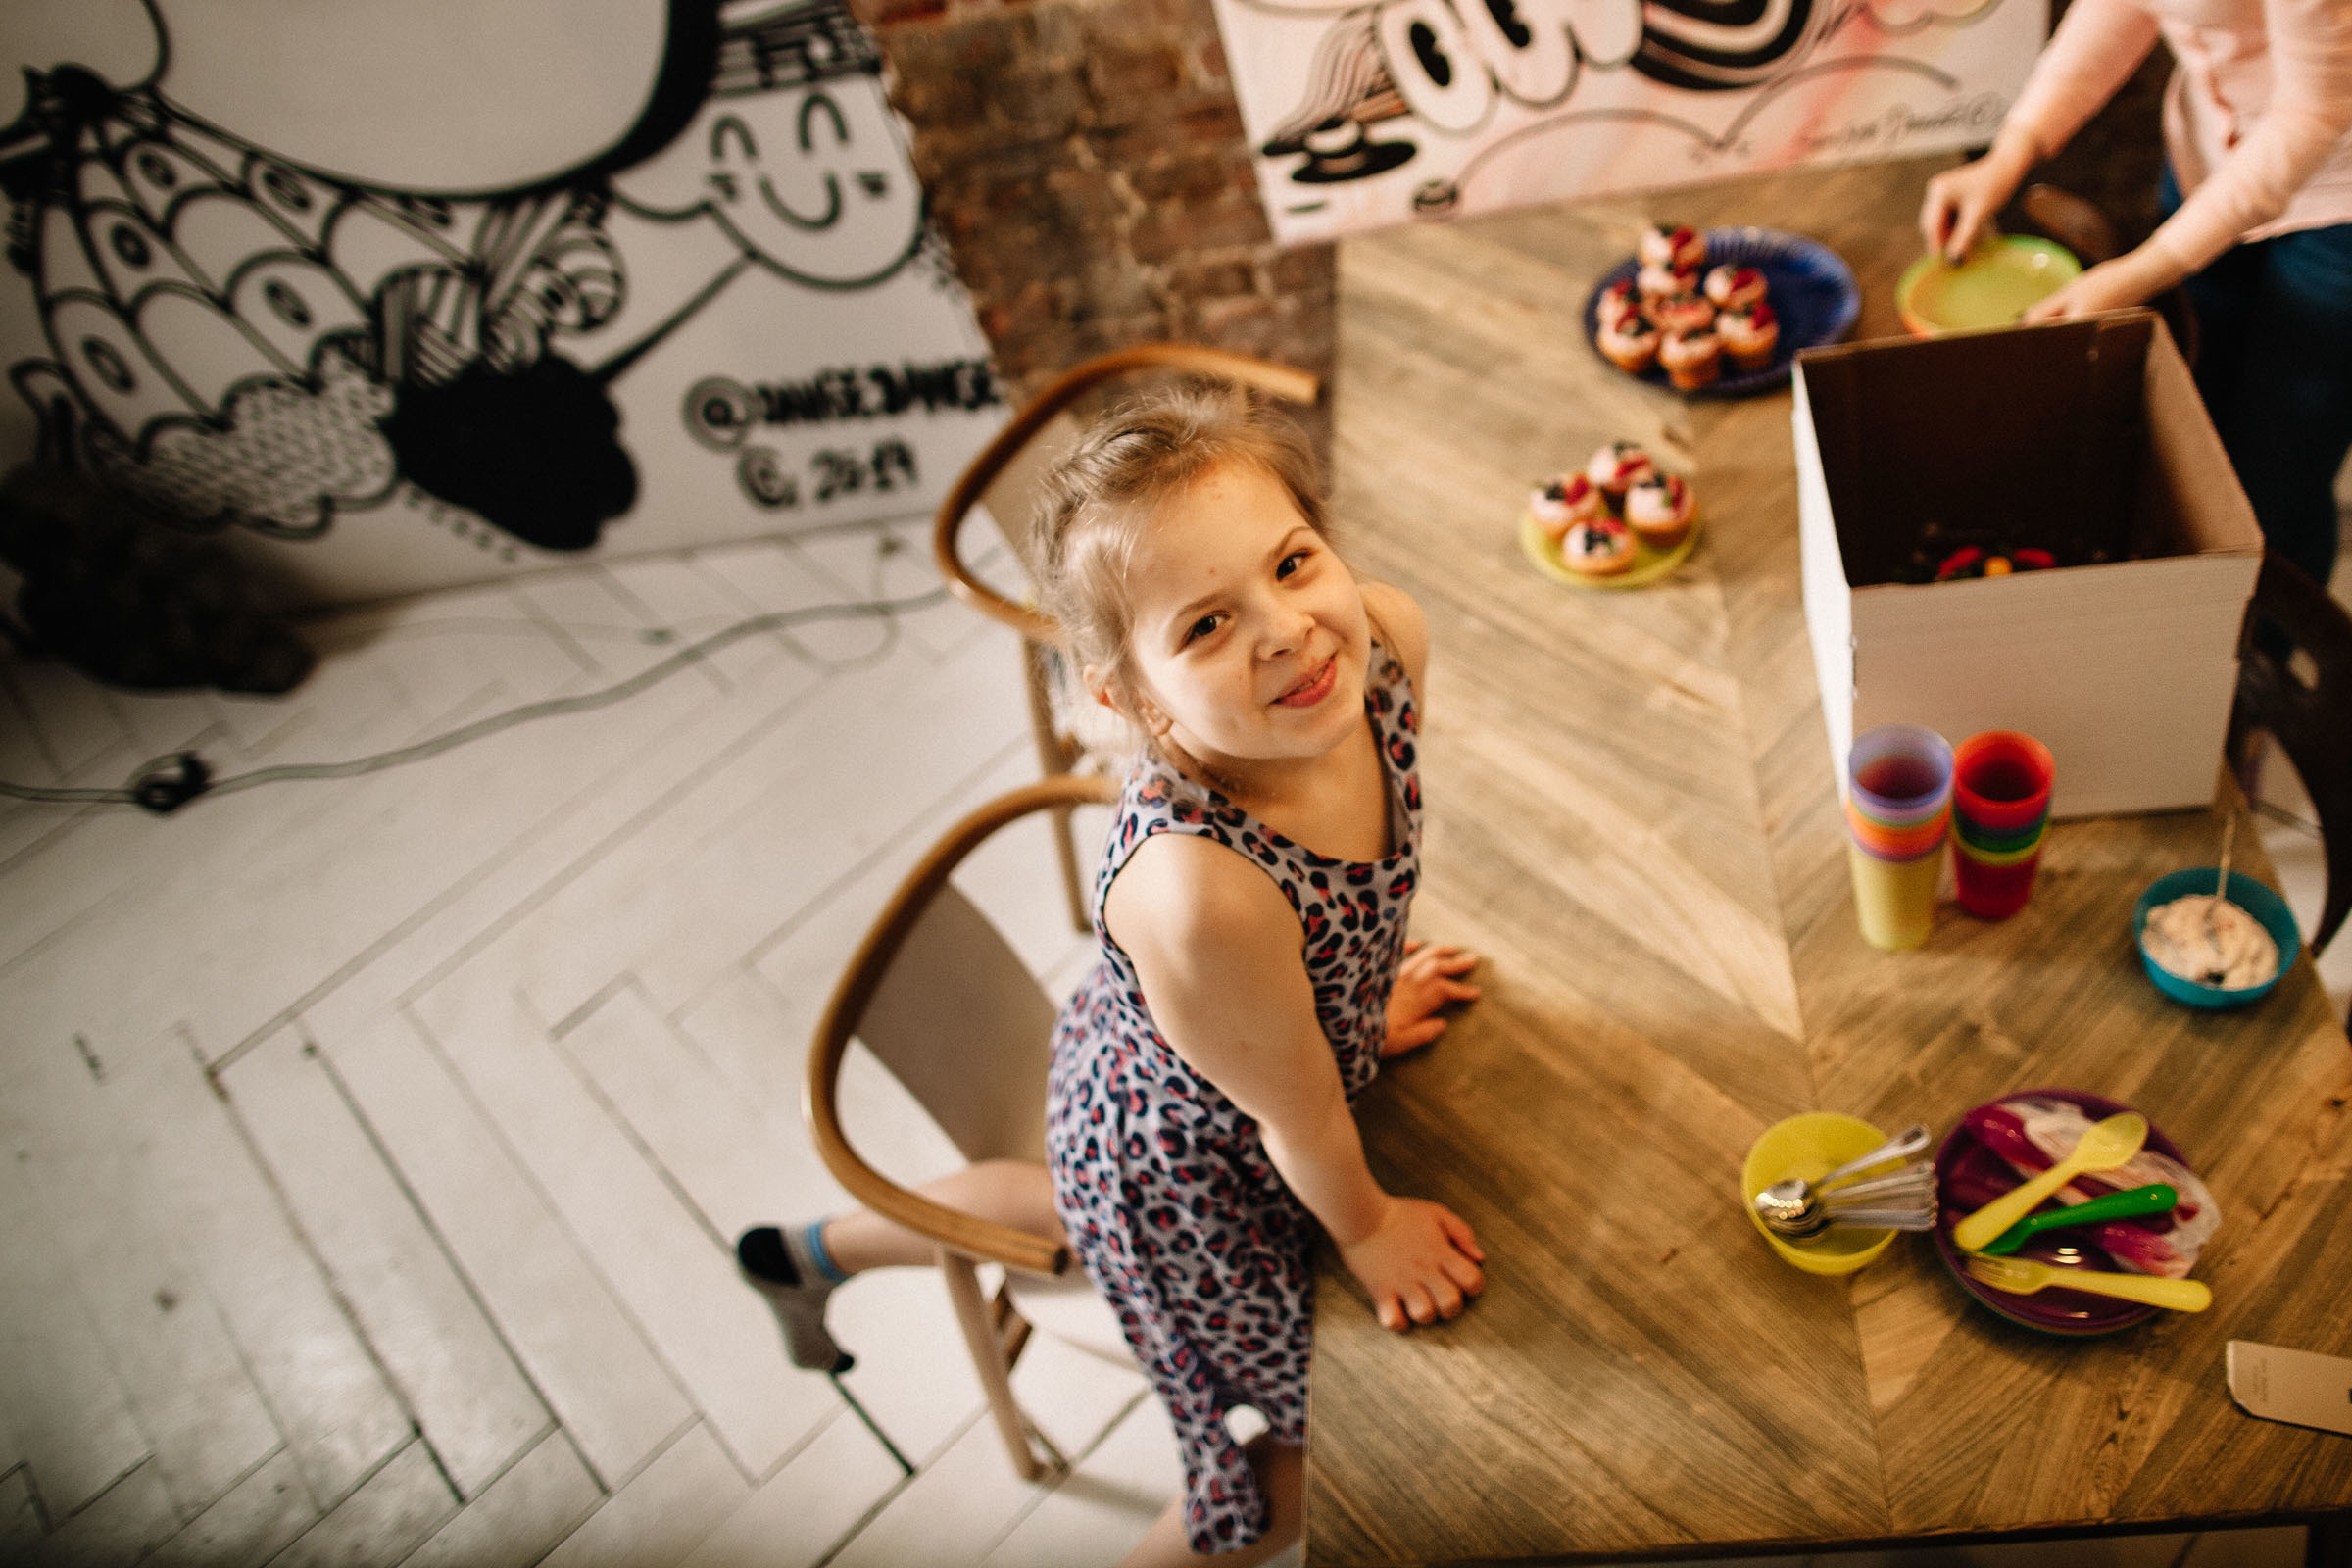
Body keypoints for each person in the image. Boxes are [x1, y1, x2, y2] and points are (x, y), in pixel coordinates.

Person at [738, 382, 1485, 1565]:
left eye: (1293, 564)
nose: (1287, 630)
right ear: (1125, 696)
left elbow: (1347, 916)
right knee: (1300, 1472)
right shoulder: (1202, 891)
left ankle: (803, 1254)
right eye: (1205, 626)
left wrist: (1348, 1009)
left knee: (1061, 1209)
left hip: (1219, 1054)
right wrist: (1373, 1224)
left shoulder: (1384, 643)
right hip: (1189, 1161)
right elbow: (1291, 1116)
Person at [1919, 0, 2352, 590]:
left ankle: (2262, 660)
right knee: (2198, 426)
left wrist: (2151, 266)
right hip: (2215, 165)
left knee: (2279, 475)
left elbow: (2315, 113)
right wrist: (2013, 147)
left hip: (2339, 199)